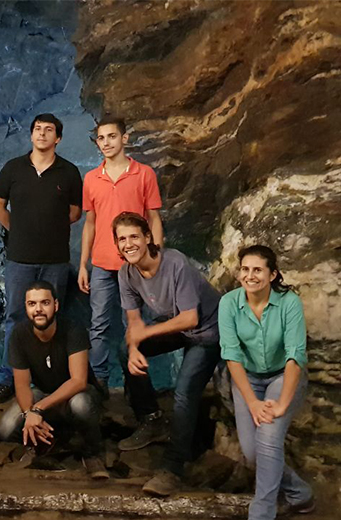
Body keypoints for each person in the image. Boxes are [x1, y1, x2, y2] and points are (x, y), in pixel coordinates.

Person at [114, 212, 221, 496]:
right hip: (179, 327)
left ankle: (173, 469)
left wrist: (144, 334)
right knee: (124, 349)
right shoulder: (126, 273)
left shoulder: (175, 263)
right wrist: (134, 348)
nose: (128, 244)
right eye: (122, 239)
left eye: (134, 236)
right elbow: (134, 322)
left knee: (184, 392)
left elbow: (190, 318)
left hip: (208, 331)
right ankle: (151, 420)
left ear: (148, 237)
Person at [0, 113, 83, 403]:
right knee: (16, 316)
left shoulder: (69, 172)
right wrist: (18, 230)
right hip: (20, 258)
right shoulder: (13, 168)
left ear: (58, 138)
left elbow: (74, 212)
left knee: (54, 317)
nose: (42, 134)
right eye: (38, 129)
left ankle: (55, 378)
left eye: (49, 130)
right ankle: (8, 377)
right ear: (31, 135)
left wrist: (49, 229)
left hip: (55, 259)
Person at [219, 245, 314, 519]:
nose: (250, 276)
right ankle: (300, 494)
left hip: (283, 376)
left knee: (269, 441)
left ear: (272, 274)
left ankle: (261, 513)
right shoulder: (229, 304)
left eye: (258, 270)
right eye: (245, 269)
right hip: (247, 378)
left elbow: (295, 355)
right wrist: (252, 402)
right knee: (252, 453)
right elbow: (232, 356)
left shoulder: (289, 303)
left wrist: (282, 403)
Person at [78, 115, 163, 388]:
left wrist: (155, 256)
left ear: (124, 138)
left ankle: (135, 385)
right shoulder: (91, 178)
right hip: (102, 264)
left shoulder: (144, 174)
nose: (106, 143)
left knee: (135, 325)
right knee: (99, 324)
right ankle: (99, 383)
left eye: (111, 136)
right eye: (101, 138)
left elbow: (154, 218)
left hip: (136, 265)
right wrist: (83, 264)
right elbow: (90, 224)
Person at [0, 281, 108, 479]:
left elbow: (78, 381)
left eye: (45, 303)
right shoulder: (19, 334)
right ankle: (45, 444)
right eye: (32, 304)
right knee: (6, 428)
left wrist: (38, 409)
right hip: (44, 394)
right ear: (26, 307)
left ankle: (92, 453)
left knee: (81, 404)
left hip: (76, 394)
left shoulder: (73, 329)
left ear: (55, 305)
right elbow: (22, 384)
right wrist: (29, 414)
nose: (38, 309)